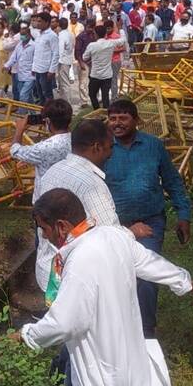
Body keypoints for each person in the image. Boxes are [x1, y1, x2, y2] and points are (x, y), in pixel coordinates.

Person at [18, 189, 193, 386]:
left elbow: (63, 323)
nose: (43, 235)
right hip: (133, 369)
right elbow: (157, 265)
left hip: (102, 383)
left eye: (43, 228)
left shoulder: (79, 261)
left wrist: (25, 335)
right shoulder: (113, 236)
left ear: (61, 226)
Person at [104, 99, 193, 338]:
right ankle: (117, 330)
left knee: (146, 275)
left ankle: (146, 331)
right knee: (117, 276)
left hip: (151, 222)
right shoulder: (102, 148)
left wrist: (183, 215)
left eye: (123, 118)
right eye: (112, 118)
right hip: (114, 226)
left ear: (136, 120)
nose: (117, 123)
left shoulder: (153, 146)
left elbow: (173, 181)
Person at [37, 119, 121, 291]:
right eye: (110, 147)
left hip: (48, 272)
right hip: (74, 280)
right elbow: (112, 238)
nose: (112, 154)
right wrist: (134, 232)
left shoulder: (53, 171)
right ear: (97, 147)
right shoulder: (91, 184)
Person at [9, 99, 73, 205]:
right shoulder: (77, 140)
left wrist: (19, 130)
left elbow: (15, 151)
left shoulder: (43, 148)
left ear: (47, 121)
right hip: (70, 198)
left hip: (46, 202)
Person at [80, 23, 127, 110]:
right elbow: (123, 40)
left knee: (92, 94)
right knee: (105, 96)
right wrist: (121, 29)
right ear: (105, 34)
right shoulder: (111, 43)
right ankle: (106, 114)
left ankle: (97, 110)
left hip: (95, 75)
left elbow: (84, 57)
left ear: (96, 34)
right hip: (107, 75)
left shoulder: (92, 45)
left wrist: (92, 57)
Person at [30, 13, 59, 104]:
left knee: (47, 94)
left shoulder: (52, 36)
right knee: (39, 93)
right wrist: (33, 67)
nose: (37, 23)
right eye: (37, 21)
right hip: (37, 68)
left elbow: (56, 54)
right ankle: (42, 112)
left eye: (40, 21)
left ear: (47, 23)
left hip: (46, 70)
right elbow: (37, 52)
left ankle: (50, 114)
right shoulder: (39, 34)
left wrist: (52, 70)